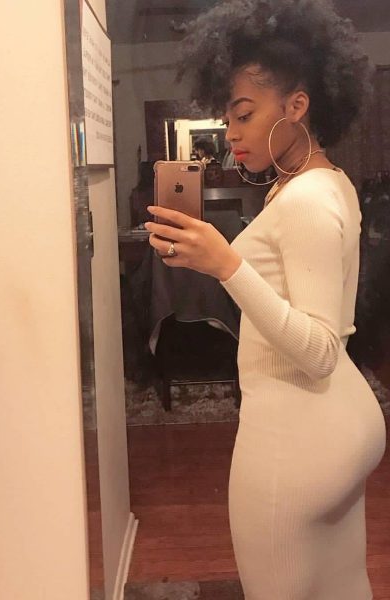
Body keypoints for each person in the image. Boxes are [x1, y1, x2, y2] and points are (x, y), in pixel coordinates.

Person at [144, 1, 387, 598]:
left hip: (295, 436)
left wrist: (225, 264)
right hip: (339, 424)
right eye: (228, 118)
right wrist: (212, 259)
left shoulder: (305, 200)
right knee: (341, 587)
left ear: (297, 106)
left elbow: (319, 350)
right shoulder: (323, 181)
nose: (231, 134)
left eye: (245, 114)